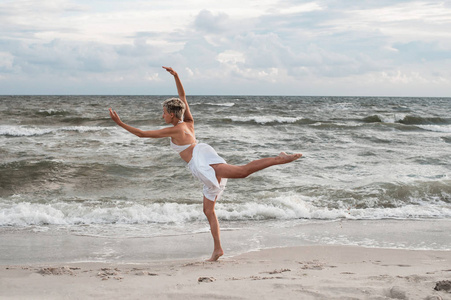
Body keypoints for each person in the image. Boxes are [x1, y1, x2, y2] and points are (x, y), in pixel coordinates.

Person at [109, 66, 302, 261]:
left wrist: (120, 123)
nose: (162, 116)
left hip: (201, 161)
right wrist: (176, 76)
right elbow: (183, 97)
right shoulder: (188, 122)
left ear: (173, 115)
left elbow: (142, 134)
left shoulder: (175, 129)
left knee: (242, 172)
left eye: (164, 113)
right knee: (208, 210)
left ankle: (280, 158)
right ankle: (218, 249)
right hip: (203, 156)